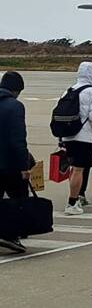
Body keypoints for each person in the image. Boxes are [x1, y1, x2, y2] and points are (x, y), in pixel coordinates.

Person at [61, 62, 92, 215]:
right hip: (84, 137)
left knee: (73, 169)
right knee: (79, 170)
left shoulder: (69, 90)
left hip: (67, 135)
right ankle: (72, 202)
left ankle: (74, 198)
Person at [0, 71, 30, 253]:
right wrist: (23, 167)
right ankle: (11, 235)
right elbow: (18, 139)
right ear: (17, 90)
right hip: (8, 164)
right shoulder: (15, 106)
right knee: (18, 198)